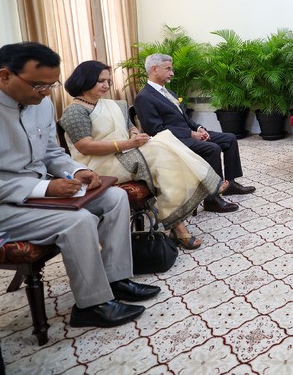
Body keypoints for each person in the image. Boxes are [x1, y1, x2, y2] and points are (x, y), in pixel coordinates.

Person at [0, 43, 159, 328]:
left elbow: (51, 153)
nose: (47, 92)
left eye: (52, 85)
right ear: (6, 75)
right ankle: (92, 306)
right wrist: (45, 189)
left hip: (37, 191)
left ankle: (116, 280)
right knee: (78, 221)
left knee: (115, 198)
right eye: (38, 85)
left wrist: (77, 170)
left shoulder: (41, 104)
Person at [59, 61, 223, 250]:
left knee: (165, 142)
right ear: (84, 80)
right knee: (160, 154)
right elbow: (85, 147)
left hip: (125, 152)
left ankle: (179, 219)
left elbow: (130, 127)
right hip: (99, 163)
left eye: (108, 81)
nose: (106, 85)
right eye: (100, 81)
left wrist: (135, 135)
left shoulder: (112, 104)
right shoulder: (75, 111)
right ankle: (198, 195)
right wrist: (128, 144)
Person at [134, 53, 255, 213]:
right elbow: (155, 129)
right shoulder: (144, 97)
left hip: (187, 134)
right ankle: (212, 199)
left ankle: (230, 184)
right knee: (212, 148)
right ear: (154, 69)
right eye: (168, 69)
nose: (172, 73)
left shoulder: (168, 92)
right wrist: (190, 134)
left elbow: (184, 118)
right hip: (171, 141)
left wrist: (198, 128)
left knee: (229, 138)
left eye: (172, 69)